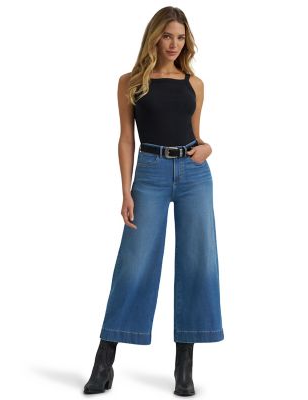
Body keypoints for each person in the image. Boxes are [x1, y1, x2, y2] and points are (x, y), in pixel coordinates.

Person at [84, 6, 224, 396]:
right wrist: (125, 190)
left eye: (180, 37)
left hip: (194, 175)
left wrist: (208, 147)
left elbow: (195, 134)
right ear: (154, 38)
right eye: (167, 36)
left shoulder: (194, 84)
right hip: (150, 172)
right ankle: (103, 363)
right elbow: (126, 138)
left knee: (198, 261)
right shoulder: (130, 82)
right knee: (135, 262)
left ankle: (184, 367)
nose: (174, 44)